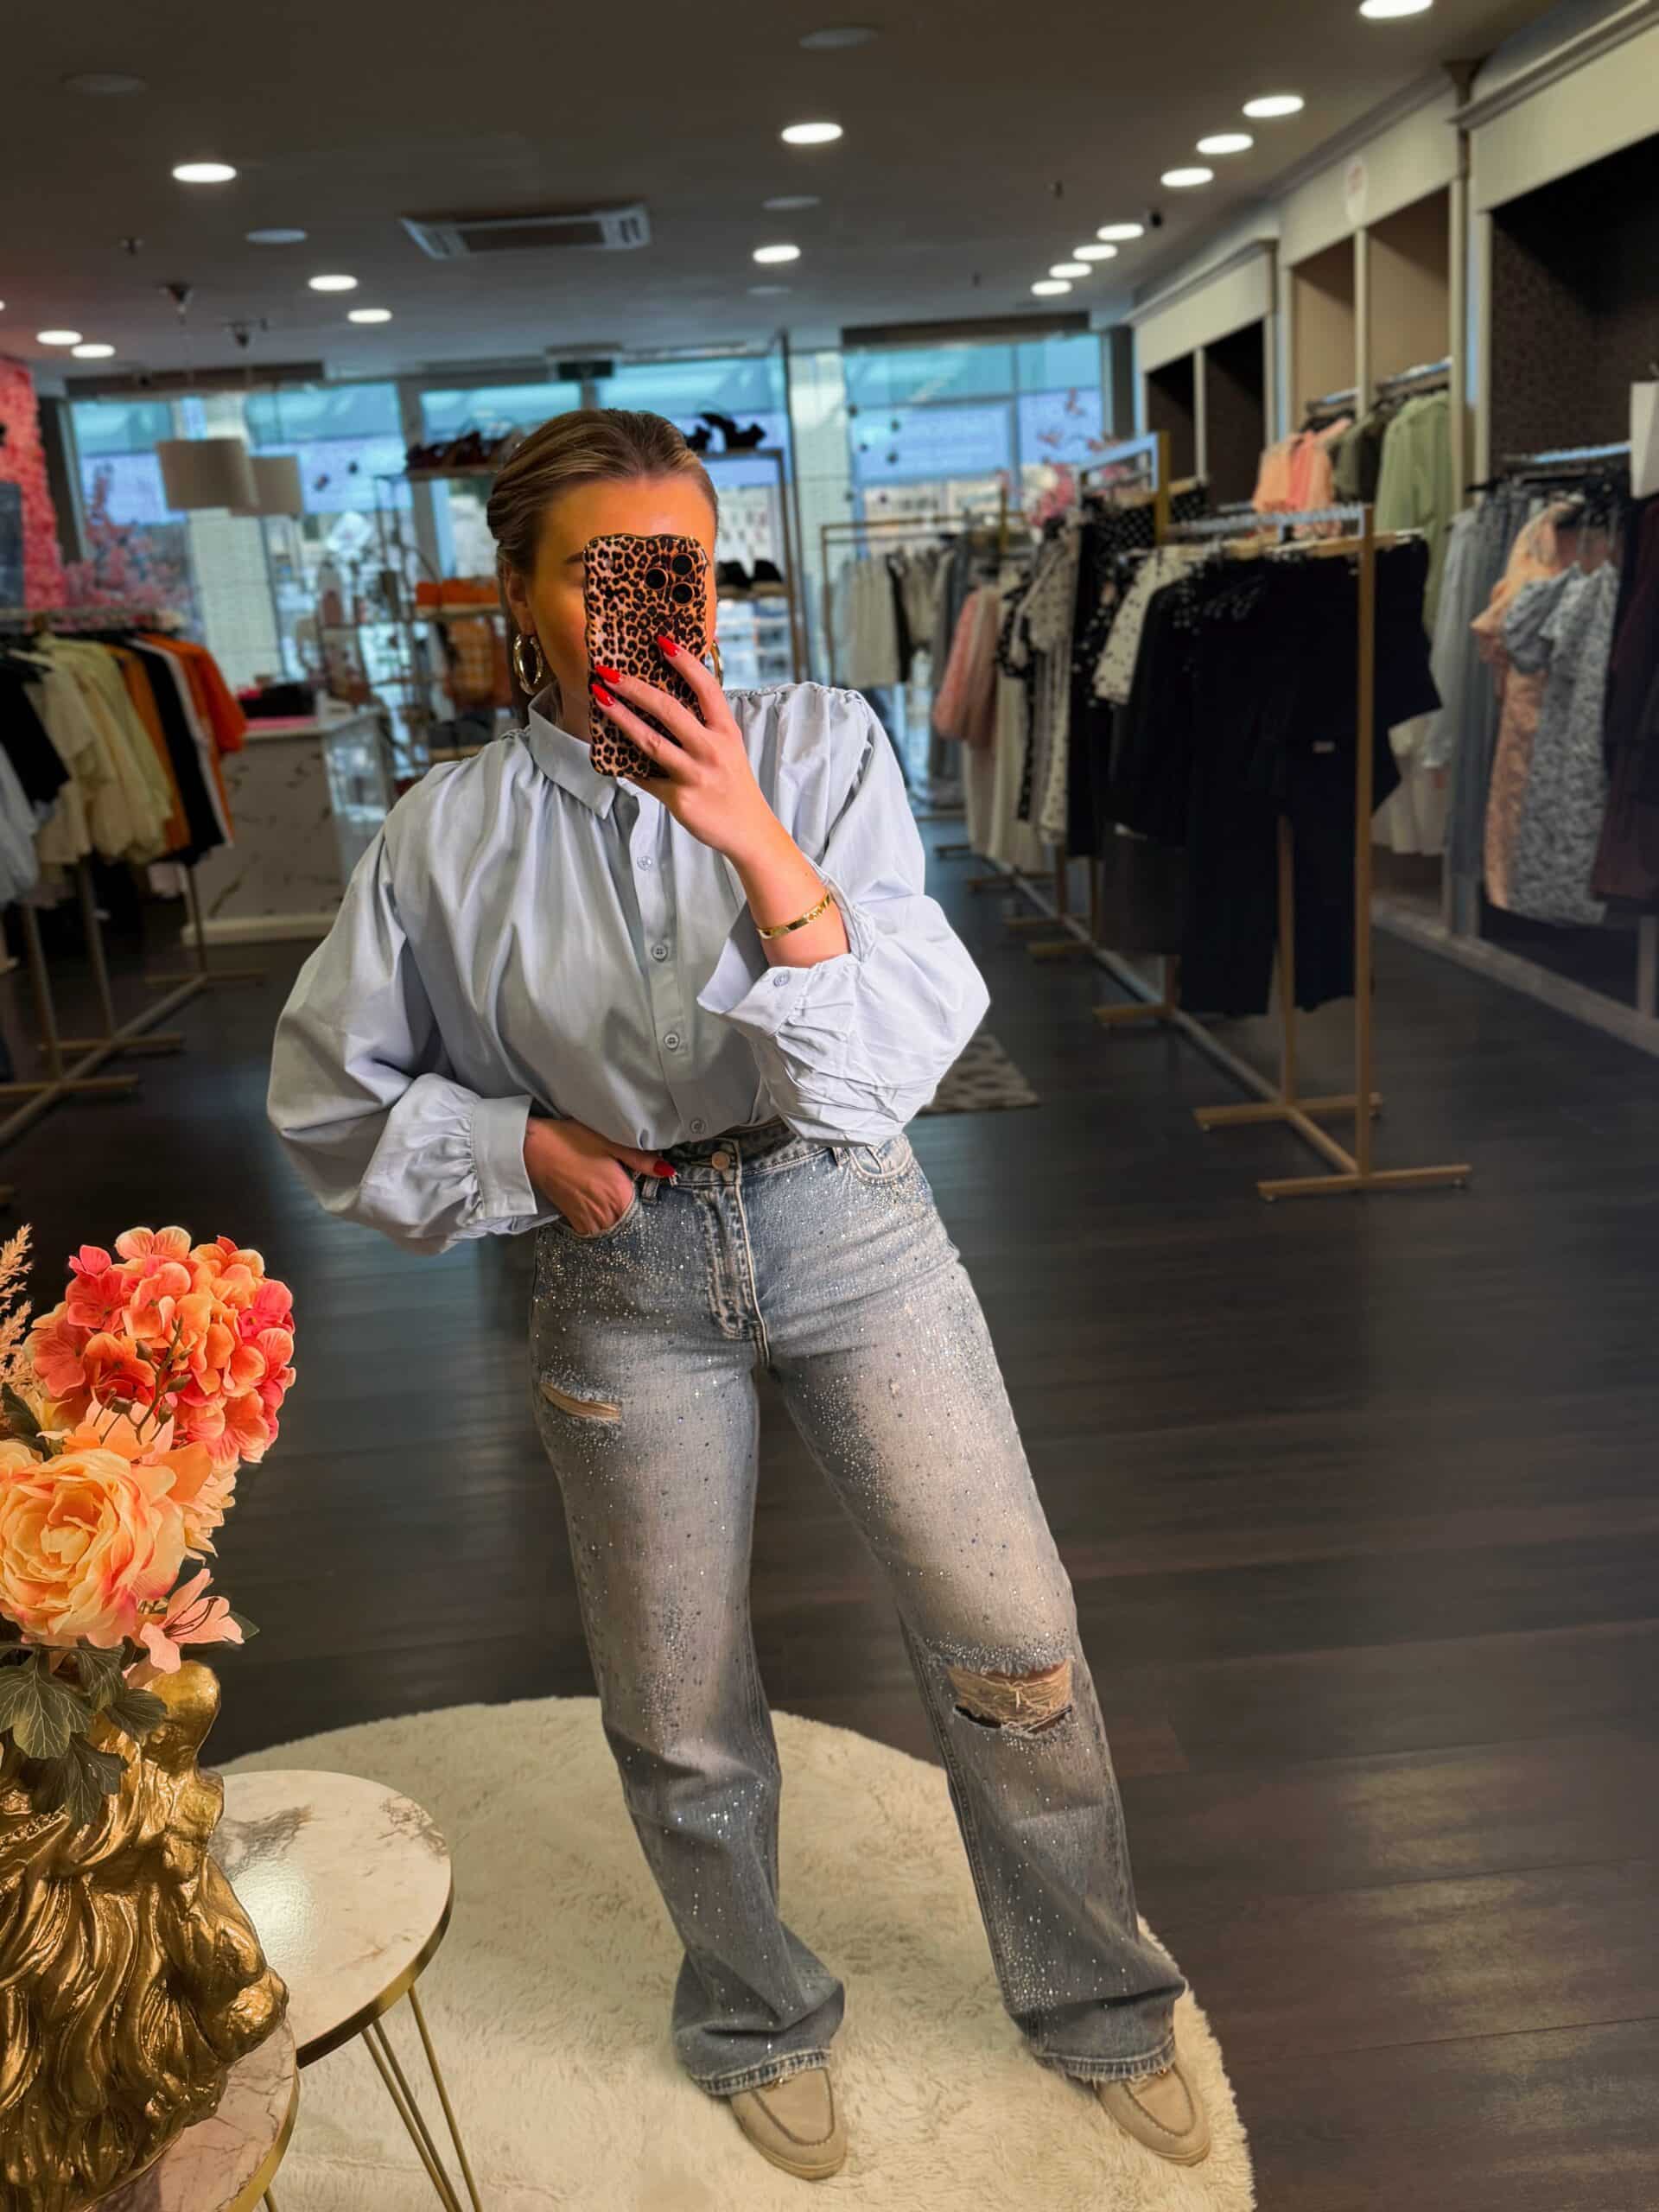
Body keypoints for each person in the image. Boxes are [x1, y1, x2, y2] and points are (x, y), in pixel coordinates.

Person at [265, 408, 1209, 2181]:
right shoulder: (445, 833)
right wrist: (517, 1141)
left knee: (1013, 1636)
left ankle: (1097, 1995)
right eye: (607, 572)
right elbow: (326, 1097)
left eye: (683, 568)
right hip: (617, 1269)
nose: (657, 605)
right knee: (677, 1696)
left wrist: (748, 831)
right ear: (519, 593)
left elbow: (887, 1072)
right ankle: (754, 2009)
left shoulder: (822, 745)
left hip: (849, 1223)